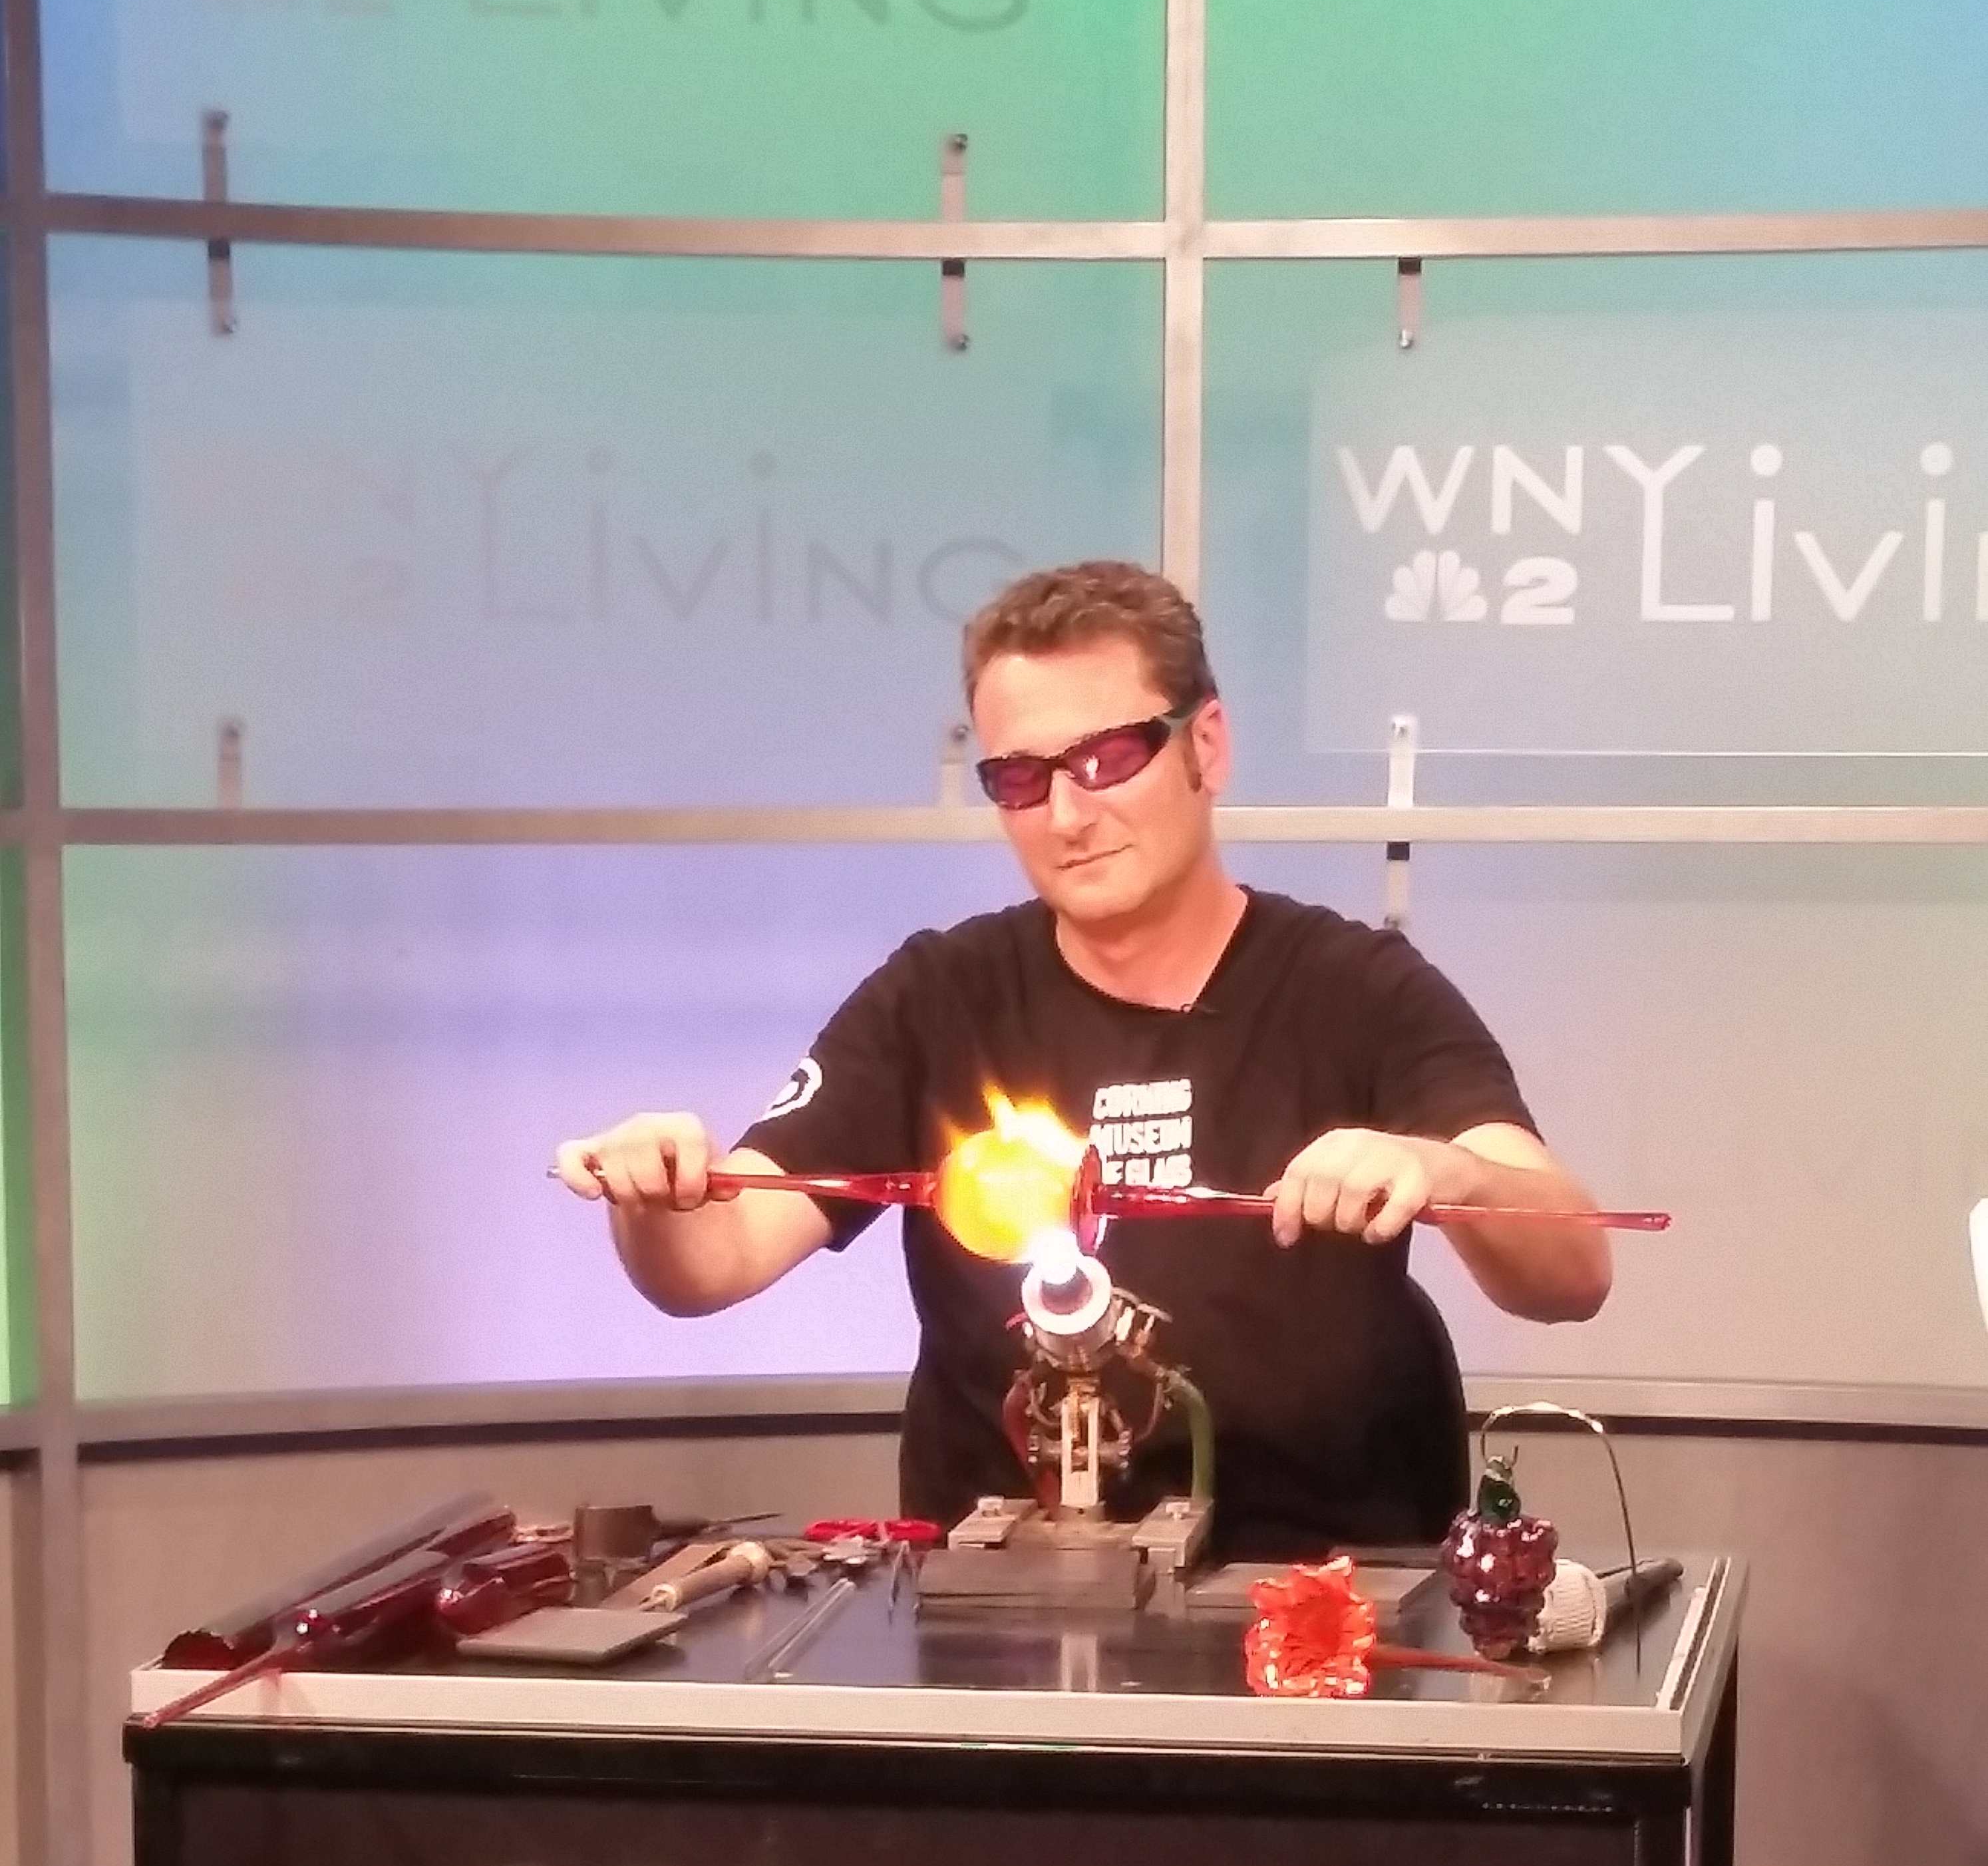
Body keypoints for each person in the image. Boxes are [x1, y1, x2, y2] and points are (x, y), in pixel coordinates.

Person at [555, 561, 1609, 1557]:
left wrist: (1447, 1173)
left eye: (1107, 760)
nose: (1067, 815)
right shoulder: (939, 997)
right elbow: (713, 1264)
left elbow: (1574, 1273)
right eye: (1021, 778)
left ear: (1206, 747)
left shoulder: (1357, 991)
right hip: (994, 1610)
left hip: (1312, 1607)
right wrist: (653, 1196)